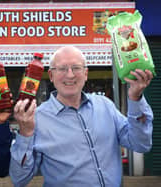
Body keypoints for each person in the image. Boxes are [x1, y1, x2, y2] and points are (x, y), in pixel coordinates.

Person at [10, 45, 154, 187]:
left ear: (85, 73)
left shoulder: (105, 106)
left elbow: (141, 144)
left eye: (76, 68)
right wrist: (26, 133)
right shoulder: (37, 119)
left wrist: (135, 98)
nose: (70, 74)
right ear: (51, 75)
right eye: (62, 68)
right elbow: (20, 179)